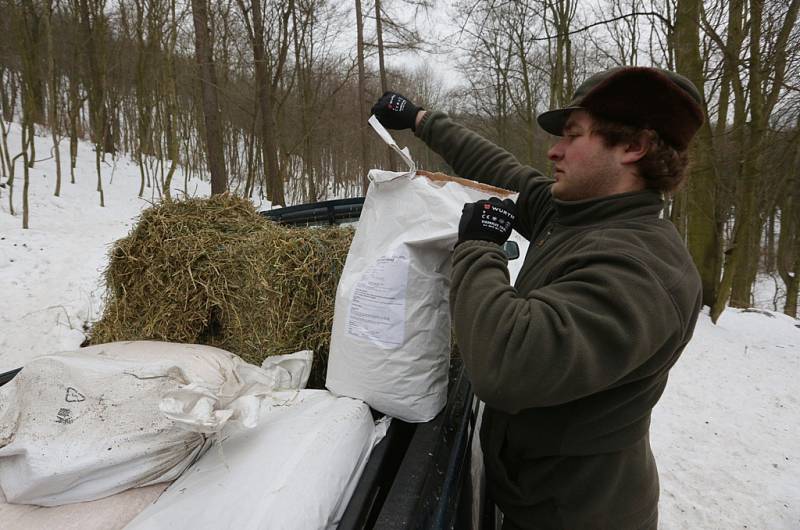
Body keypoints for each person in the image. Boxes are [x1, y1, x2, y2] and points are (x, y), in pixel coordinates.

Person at [371, 66, 704, 529]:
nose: (554, 150)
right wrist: (422, 119)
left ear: (634, 147)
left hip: (579, 516)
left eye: (573, 135)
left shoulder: (643, 269)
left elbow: (506, 362)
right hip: (536, 495)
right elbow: (502, 170)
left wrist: (479, 247)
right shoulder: (579, 215)